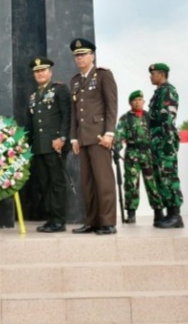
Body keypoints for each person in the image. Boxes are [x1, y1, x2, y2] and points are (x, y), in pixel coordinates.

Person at [69, 38, 119, 235]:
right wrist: (74, 138)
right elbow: (75, 112)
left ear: (92, 56)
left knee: (103, 181)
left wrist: (109, 133)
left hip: (99, 137)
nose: (80, 58)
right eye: (77, 55)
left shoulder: (103, 75)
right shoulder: (75, 81)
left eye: (83, 54)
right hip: (83, 138)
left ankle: (107, 222)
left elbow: (111, 105)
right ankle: (92, 221)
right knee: (87, 183)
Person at [26, 56, 71, 233]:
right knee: (45, 184)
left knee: (57, 183)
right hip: (39, 147)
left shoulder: (60, 90)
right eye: (36, 71)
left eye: (43, 70)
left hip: (55, 146)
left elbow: (67, 115)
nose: (40, 74)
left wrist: (62, 138)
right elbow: (30, 123)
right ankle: (51, 218)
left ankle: (59, 220)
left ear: (50, 72)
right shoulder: (33, 96)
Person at [115, 90, 162, 225]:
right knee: (131, 185)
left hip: (148, 154)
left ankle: (158, 212)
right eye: (135, 100)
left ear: (144, 102)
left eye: (140, 99)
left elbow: (157, 135)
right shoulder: (125, 119)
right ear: (130, 103)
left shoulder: (150, 118)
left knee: (152, 184)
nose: (137, 102)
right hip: (132, 154)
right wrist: (116, 150)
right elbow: (119, 135)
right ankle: (131, 214)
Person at [147, 62, 184, 228]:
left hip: (164, 140)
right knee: (160, 178)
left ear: (161, 74)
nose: (150, 76)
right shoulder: (158, 92)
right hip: (156, 141)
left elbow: (168, 118)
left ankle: (176, 216)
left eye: (153, 74)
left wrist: (168, 142)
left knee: (169, 176)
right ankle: (169, 214)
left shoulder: (168, 91)